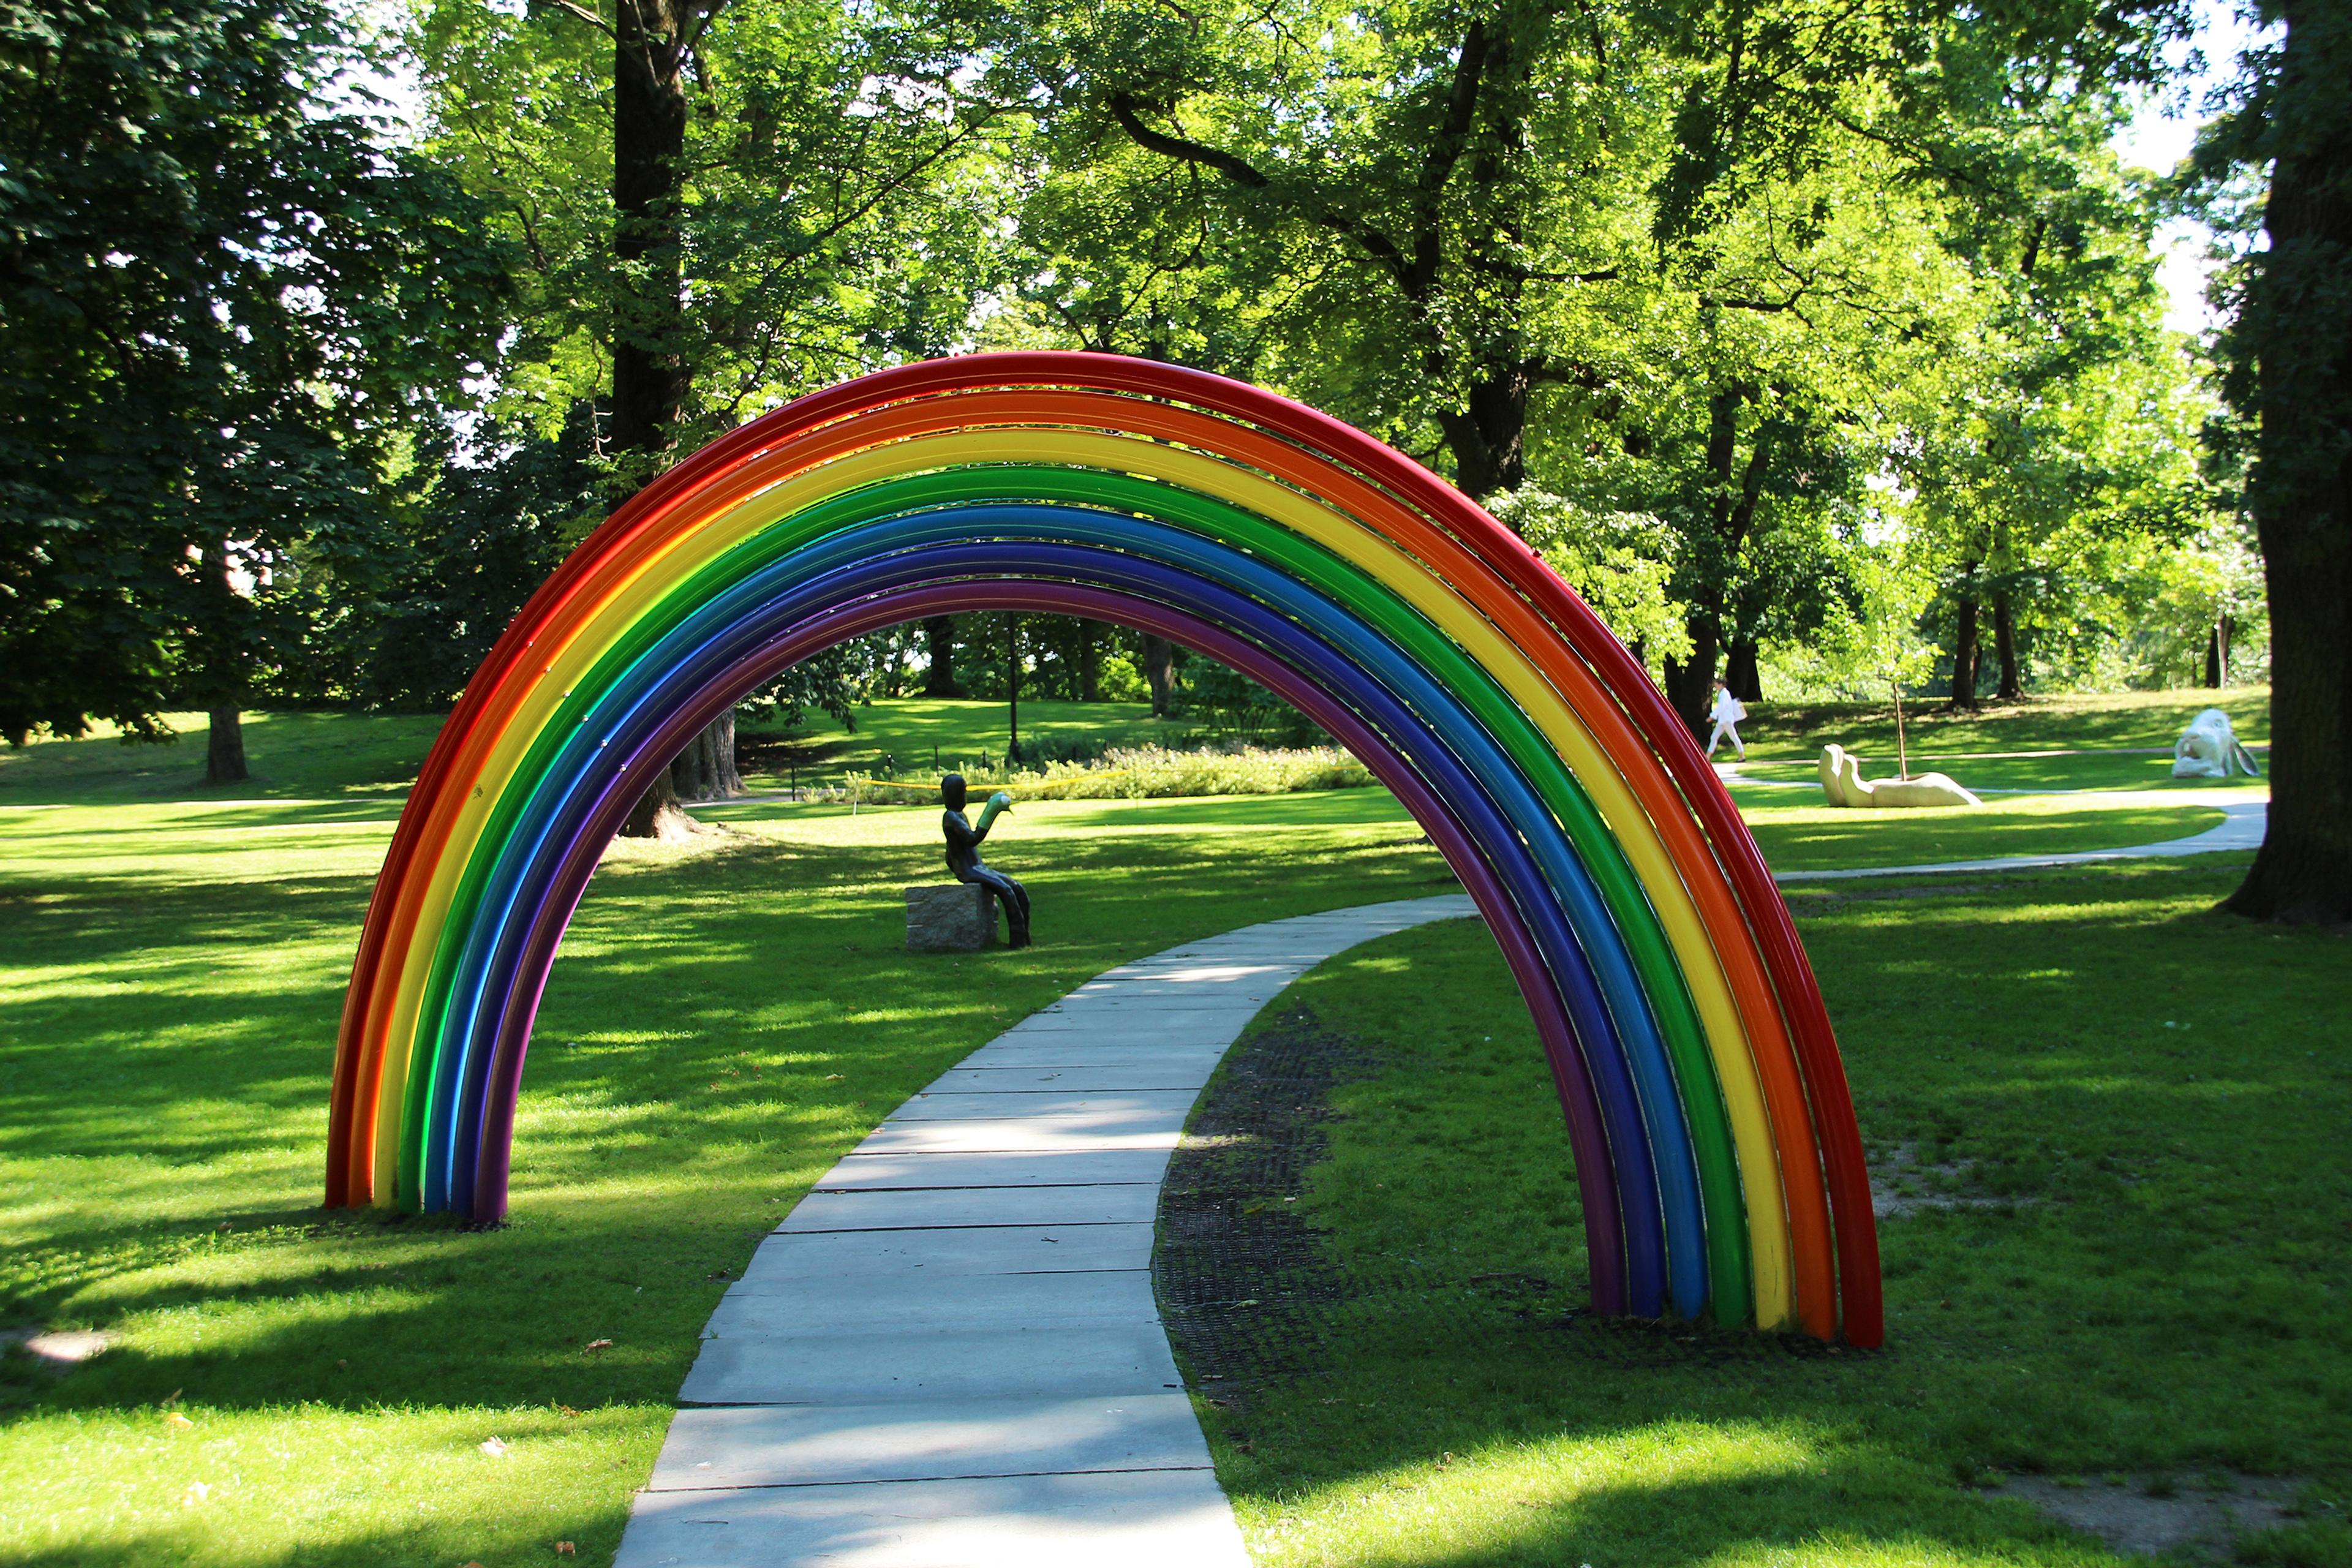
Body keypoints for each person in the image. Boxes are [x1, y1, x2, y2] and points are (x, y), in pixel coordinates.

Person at [940, 774, 1031, 947]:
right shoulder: (950, 817)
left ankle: (1024, 937)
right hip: (969, 870)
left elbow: (951, 849)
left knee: (1017, 888)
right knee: (1006, 891)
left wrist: (952, 861)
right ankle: (1017, 941)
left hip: (977, 867)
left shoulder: (958, 815)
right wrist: (991, 813)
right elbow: (971, 839)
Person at [1706, 677, 1747, 761]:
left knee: (1734, 737)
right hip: (1723, 721)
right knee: (1714, 737)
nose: (1716, 686)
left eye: (1717, 684)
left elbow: (1721, 707)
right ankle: (1707, 757)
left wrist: (1712, 716)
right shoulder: (1723, 694)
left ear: (1721, 684)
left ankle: (1742, 755)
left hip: (1727, 720)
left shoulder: (1724, 694)